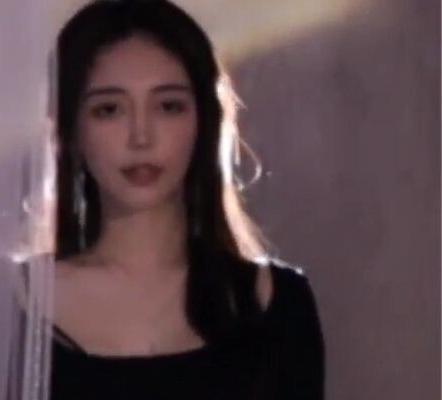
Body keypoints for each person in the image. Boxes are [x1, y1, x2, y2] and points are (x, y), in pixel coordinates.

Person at [47, 0, 324, 399]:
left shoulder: (276, 304)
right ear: (70, 130)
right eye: (109, 109)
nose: (141, 136)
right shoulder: (12, 308)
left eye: (168, 106)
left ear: (204, 122)